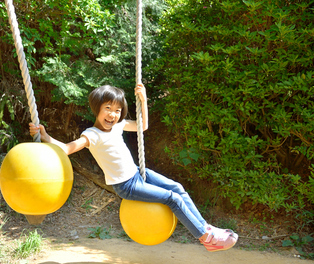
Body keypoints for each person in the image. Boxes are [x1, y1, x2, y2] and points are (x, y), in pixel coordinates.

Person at [29, 84, 238, 252]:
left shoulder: (118, 126)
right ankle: (206, 238)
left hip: (138, 173)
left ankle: (206, 226)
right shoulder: (92, 134)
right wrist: (46, 137)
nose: (112, 115)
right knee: (172, 198)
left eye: (117, 110)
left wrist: (144, 100)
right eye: (107, 109)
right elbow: (66, 149)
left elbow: (142, 126)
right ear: (97, 109)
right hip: (126, 185)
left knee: (177, 187)